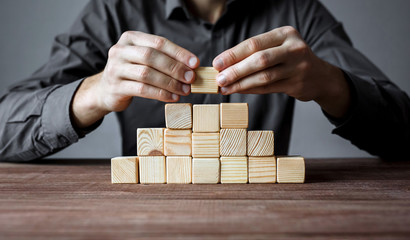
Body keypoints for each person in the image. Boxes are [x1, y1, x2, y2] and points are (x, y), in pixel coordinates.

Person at [0, 0, 409, 162]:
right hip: (141, 220)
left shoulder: (297, 10)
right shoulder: (116, 10)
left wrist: (330, 84)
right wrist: (96, 91)